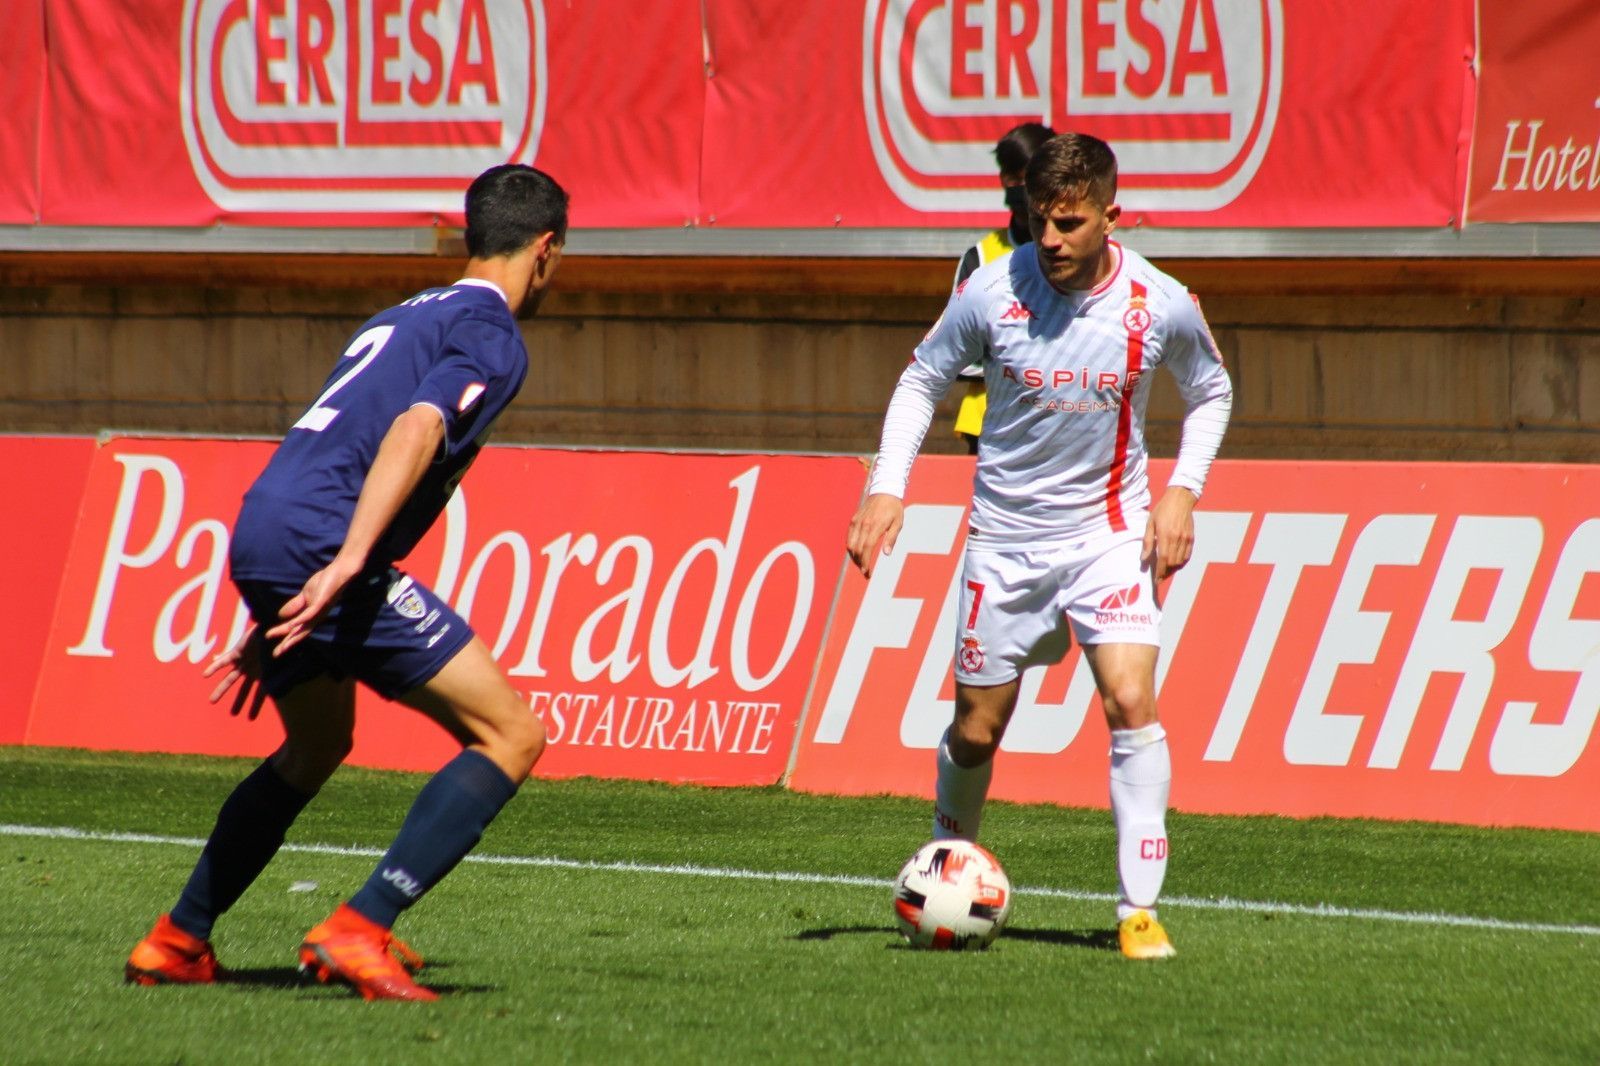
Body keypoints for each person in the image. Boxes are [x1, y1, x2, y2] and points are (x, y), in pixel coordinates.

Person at [125, 163, 569, 1002]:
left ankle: (178, 938)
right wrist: (346, 562)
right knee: (511, 734)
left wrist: (276, 583)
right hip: (323, 541)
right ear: (545, 250)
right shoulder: (493, 333)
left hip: (265, 524)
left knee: (318, 743)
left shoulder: (399, 315)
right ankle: (358, 927)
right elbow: (418, 424)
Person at [846, 133, 1232, 960]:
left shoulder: (1158, 301)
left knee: (1131, 701)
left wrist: (1181, 490)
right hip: (1006, 544)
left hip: (1109, 536)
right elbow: (921, 379)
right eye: (1037, 221)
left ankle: (1138, 912)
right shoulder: (993, 291)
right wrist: (888, 484)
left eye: (1066, 223)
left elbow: (1211, 389)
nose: (1048, 240)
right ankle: (949, 862)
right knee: (978, 732)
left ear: (1109, 217)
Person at [951, 122, 1055, 455]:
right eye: (1012, 176)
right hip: (988, 426)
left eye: (1030, 175)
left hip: (1062, 422)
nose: (1021, 186)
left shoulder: (1083, 255)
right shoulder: (979, 258)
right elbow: (955, 352)